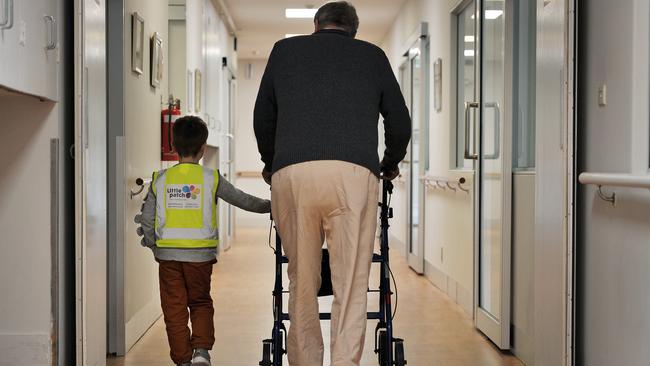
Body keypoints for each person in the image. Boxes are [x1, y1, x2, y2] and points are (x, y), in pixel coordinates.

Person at [253, 2, 411, 365]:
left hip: (293, 175)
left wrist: (270, 164)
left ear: (316, 24)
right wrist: (388, 164)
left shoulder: (284, 50)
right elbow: (399, 122)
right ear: (353, 30)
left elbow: (264, 117)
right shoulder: (372, 56)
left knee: (302, 279)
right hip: (354, 175)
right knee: (352, 282)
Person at [135, 116, 271, 366]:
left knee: (174, 310)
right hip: (200, 257)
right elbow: (242, 199)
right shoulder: (211, 178)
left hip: (168, 258)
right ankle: (201, 352)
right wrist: (270, 207)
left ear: (174, 148)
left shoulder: (160, 179)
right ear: (203, 149)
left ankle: (182, 360)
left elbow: (146, 220)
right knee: (200, 302)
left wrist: (155, 247)